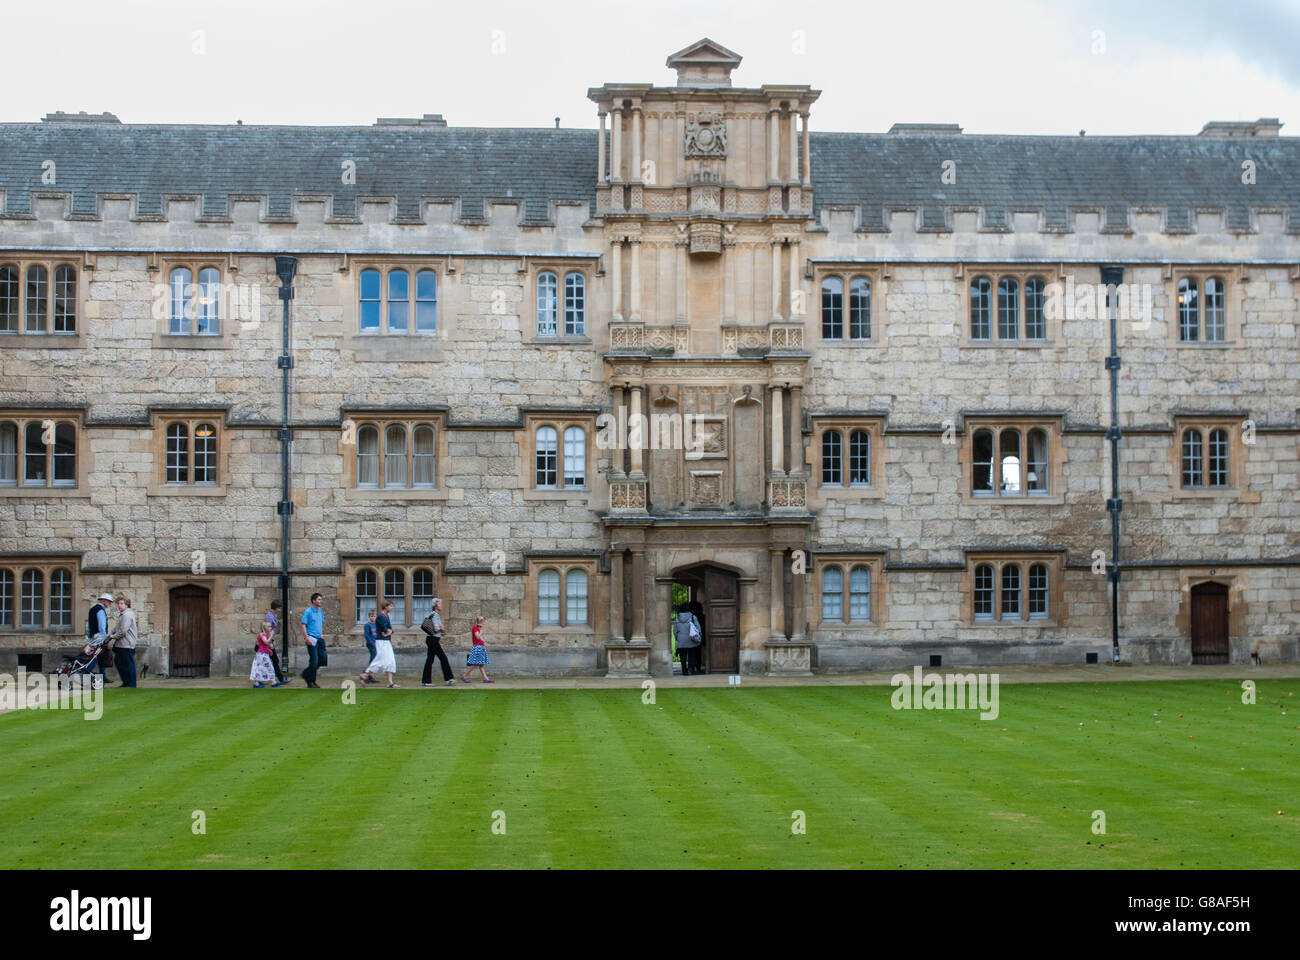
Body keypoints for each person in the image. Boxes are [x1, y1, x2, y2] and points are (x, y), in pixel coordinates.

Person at [360, 600, 399, 688]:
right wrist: (388, 632)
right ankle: (365, 675)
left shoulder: (386, 616)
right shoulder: (380, 616)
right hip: (381, 642)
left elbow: (390, 629)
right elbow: (384, 631)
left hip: (386, 641)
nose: (392, 608)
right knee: (380, 661)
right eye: (390, 606)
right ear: (385, 606)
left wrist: (389, 632)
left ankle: (390, 682)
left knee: (390, 661)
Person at [420, 598, 455, 686]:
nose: (441, 605)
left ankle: (426, 681)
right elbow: (436, 628)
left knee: (430, 660)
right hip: (433, 640)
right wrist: (442, 629)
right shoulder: (435, 615)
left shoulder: (432, 614)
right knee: (443, 658)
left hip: (431, 639)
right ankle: (449, 679)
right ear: (436, 606)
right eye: (440, 604)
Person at [109, 593, 138, 687]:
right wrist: (110, 634)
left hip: (127, 644)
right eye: (118, 603)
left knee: (128, 664)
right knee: (119, 662)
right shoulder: (123, 615)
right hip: (121, 644)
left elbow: (123, 631)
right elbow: (117, 628)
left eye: (121, 603)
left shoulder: (127, 615)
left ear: (127, 605)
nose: (119, 605)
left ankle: (131, 683)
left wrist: (112, 637)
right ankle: (126, 682)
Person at [86, 592, 114, 688]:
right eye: (108, 602)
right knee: (96, 655)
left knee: (100, 656)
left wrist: (90, 636)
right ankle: (88, 671)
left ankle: (103, 676)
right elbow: (102, 626)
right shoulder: (100, 611)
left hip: (93, 636)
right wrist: (105, 638)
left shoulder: (92, 609)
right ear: (104, 601)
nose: (109, 604)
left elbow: (89, 625)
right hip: (99, 637)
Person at [300, 592, 326, 688]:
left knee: (323, 659)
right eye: (319, 599)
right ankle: (311, 682)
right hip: (311, 638)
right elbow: (303, 625)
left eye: (321, 599)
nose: (321, 601)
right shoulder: (308, 612)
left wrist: (321, 633)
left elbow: (320, 623)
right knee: (314, 661)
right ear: (313, 601)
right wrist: (306, 638)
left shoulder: (320, 611)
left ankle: (306, 673)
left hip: (319, 638)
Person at [460, 616, 492, 683]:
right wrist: (481, 631)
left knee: (481, 664)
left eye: (482, 621)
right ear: (478, 621)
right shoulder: (475, 628)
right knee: (475, 664)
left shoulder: (478, 628)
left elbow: (480, 639)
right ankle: (464, 676)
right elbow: (477, 637)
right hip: (477, 647)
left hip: (480, 647)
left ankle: (486, 679)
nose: (482, 622)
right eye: (481, 621)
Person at [263, 600, 289, 685]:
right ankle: (281, 678)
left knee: (267, 660)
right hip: (267, 641)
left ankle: (261, 678)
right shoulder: (269, 617)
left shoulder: (273, 615)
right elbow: (267, 630)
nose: (280, 609)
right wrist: (269, 643)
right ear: (276, 608)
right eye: (279, 608)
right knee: (274, 660)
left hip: (269, 640)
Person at [673, 605, 702, 676]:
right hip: (691, 639)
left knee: (682, 657)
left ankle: (684, 671)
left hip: (681, 640)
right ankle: (690, 669)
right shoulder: (693, 617)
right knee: (691, 655)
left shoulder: (677, 618)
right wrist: (699, 636)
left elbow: (675, 631)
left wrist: (678, 638)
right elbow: (698, 628)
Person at [250, 622, 277, 688]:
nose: (270, 628)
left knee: (266, 668)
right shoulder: (262, 635)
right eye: (269, 627)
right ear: (265, 628)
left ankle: (272, 682)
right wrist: (271, 636)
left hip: (264, 654)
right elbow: (265, 642)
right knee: (260, 668)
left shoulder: (266, 635)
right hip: (261, 655)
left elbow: (269, 646)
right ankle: (258, 683)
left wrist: (269, 650)